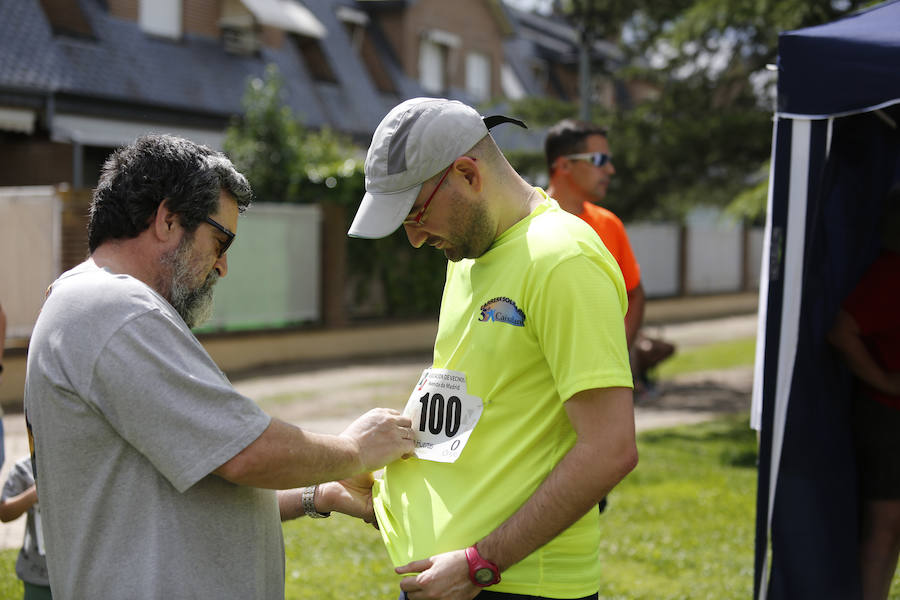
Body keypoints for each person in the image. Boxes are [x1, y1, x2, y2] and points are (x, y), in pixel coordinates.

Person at [23, 134, 415, 599]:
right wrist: (355, 449)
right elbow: (245, 454)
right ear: (168, 220)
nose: (222, 266)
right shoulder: (116, 307)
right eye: (220, 240)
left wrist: (319, 493)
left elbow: (191, 479)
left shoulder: (91, 304)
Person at [348, 97, 638, 600]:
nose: (414, 239)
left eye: (415, 213)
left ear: (466, 173)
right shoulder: (467, 254)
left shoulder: (563, 259)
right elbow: (471, 403)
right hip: (451, 576)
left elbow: (610, 449)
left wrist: (482, 563)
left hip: (511, 582)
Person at [544, 119, 674, 392]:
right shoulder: (524, 223)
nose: (611, 170)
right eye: (600, 159)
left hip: (596, 384)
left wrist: (613, 354)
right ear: (564, 164)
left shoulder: (609, 224)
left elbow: (635, 294)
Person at [828, 194, 900, 600]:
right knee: (886, 526)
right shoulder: (891, 272)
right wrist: (884, 382)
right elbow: (841, 329)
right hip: (888, 416)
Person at [0, 455, 50, 600]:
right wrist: (35, 492)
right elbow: (4, 512)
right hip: (37, 572)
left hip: (75, 570)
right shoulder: (24, 468)